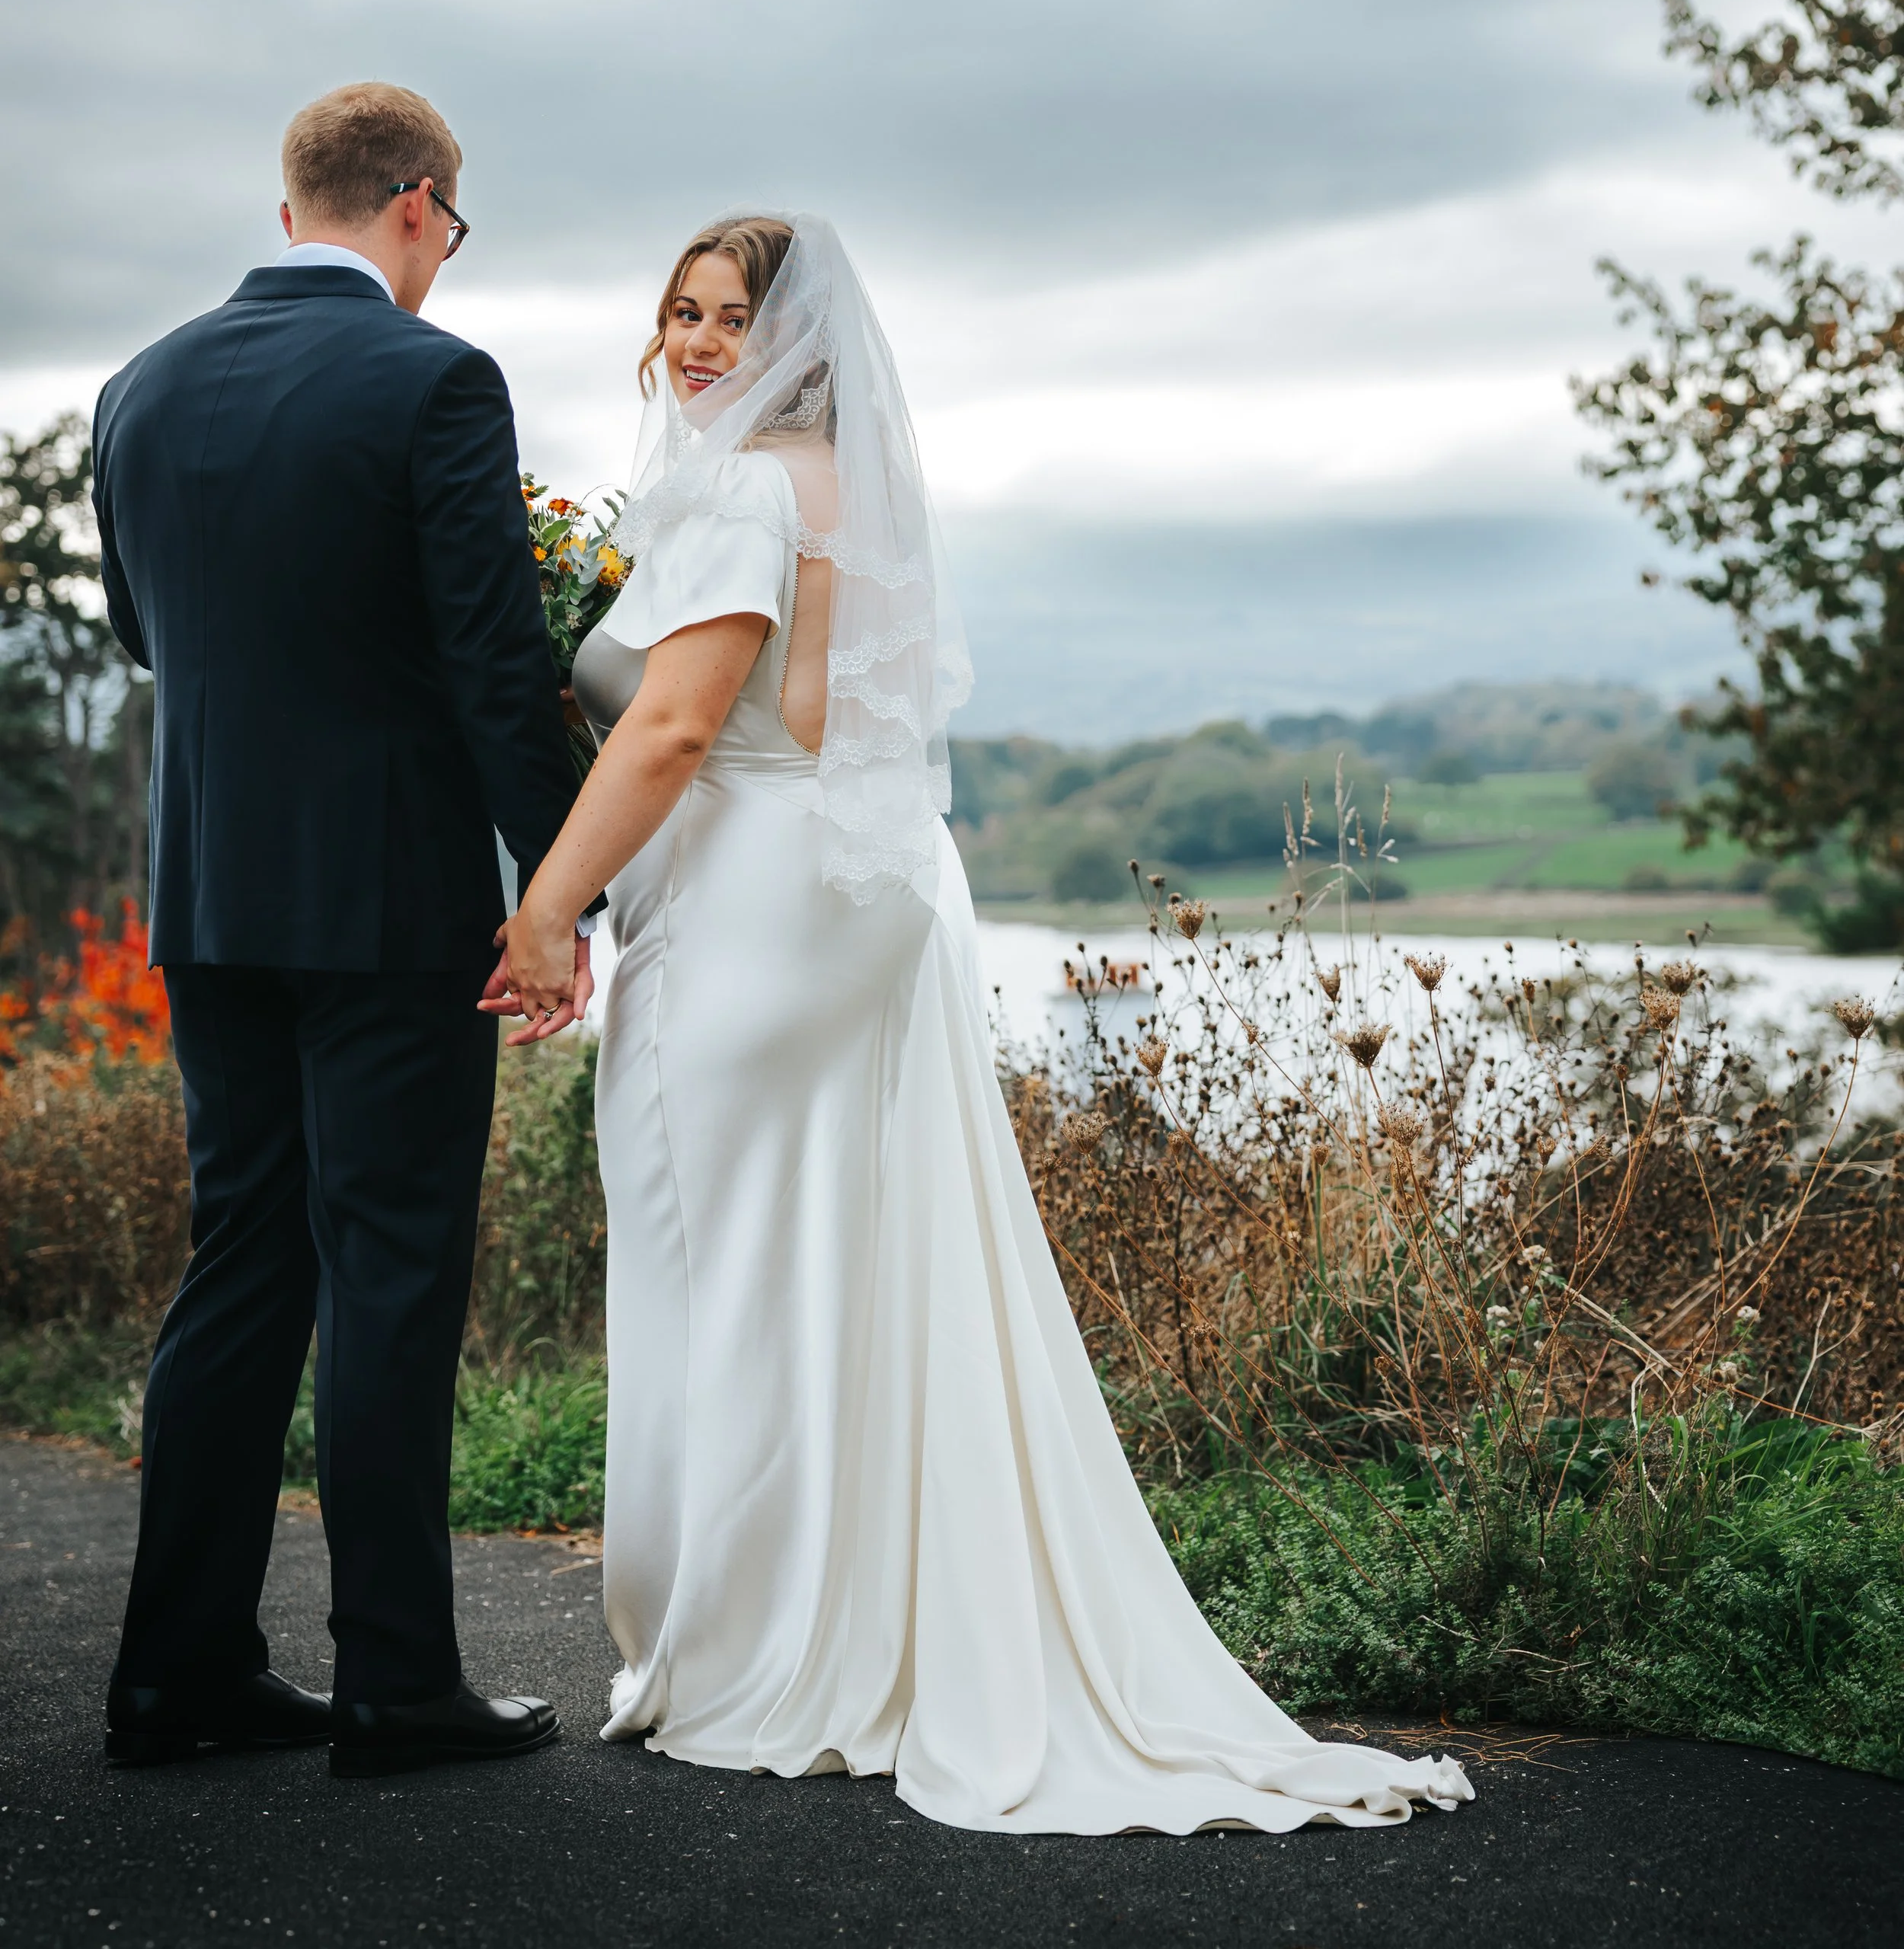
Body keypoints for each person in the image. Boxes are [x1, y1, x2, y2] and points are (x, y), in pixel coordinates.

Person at [487, 212, 1475, 1836]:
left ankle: (747, 1654)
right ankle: (842, 1628)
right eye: (678, 311)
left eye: (733, 317)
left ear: (796, 338)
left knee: (719, 1259)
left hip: (753, 904)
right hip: (862, 892)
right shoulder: (839, 485)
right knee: (837, 1266)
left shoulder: (739, 487)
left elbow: (669, 726)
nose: (697, 342)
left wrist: (544, 911)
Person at [94, 82, 589, 1778]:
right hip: (387, 903)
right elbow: (492, 661)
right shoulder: (434, 378)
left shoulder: (136, 386)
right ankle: (394, 1680)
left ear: (290, 199)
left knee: (241, 1261)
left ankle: (176, 1672)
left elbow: (148, 636)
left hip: (211, 899)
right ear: (420, 205)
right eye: (449, 234)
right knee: (389, 1273)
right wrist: (567, 884)